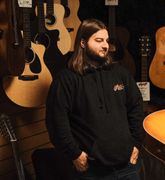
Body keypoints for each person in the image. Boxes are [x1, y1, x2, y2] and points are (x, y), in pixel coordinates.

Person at [45, 18, 145, 180]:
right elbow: (56, 120)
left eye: (106, 40)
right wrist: (74, 153)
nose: (105, 45)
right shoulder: (67, 78)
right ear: (83, 43)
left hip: (128, 166)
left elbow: (136, 108)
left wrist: (136, 143)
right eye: (99, 40)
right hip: (91, 170)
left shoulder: (120, 72)